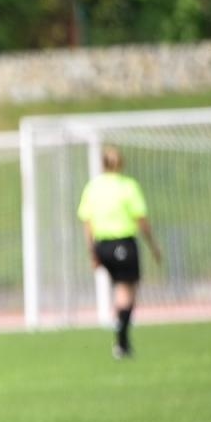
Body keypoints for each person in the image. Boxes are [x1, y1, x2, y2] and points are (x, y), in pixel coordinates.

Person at [78, 144, 162, 359]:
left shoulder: (93, 187)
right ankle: (122, 341)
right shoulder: (127, 186)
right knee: (127, 291)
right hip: (123, 243)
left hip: (101, 245)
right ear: (121, 163)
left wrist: (92, 252)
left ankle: (120, 329)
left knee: (120, 289)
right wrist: (153, 245)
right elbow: (141, 219)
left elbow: (87, 222)